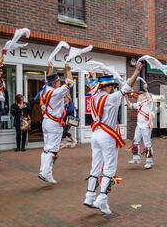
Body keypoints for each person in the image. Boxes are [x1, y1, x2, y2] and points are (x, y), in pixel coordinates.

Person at [84, 63, 142, 215]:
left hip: (95, 134)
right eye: (113, 87)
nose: (114, 89)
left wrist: (93, 77)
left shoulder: (94, 96)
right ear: (109, 87)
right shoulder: (112, 98)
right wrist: (136, 72)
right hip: (107, 135)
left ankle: (89, 196)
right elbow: (127, 87)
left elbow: (92, 86)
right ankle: (101, 198)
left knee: (95, 165)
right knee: (109, 167)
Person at [37, 62, 73, 184]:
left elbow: (49, 79)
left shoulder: (45, 89)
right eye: (58, 82)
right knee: (53, 149)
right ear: (54, 84)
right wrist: (68, 70)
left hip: (46, 121)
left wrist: (50, 69)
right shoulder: (56, 92)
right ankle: (44, 172)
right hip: (54, 123)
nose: (59, 84)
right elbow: (70, 84)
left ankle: (46, 172)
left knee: (47, 148)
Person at [126, 83, 154, 169]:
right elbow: (129, 105)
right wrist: (125, 96)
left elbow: (150, 99)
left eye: (140, 95)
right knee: (135, 141)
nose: (138, 96)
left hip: (146, 126)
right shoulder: (138, 104)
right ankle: (136, 158)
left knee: (147, 143)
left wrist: (146, 90)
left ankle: (149, 161)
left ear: (144, 96)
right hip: (139, 125)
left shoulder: (148, 103)